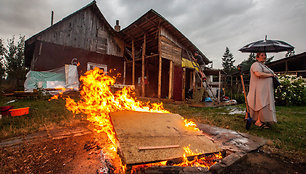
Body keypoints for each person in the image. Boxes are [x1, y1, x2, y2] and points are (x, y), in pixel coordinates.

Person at [247, 52, 277, 128]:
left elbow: (271, 73)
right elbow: (258, 74)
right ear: (257, 57)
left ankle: (262, 120)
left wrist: (273, 75)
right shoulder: (255, 65)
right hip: (259, 89)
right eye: (262, 55)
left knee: (264, 103)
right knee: (260, 104)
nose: (264, 57)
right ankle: (258, 121)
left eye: (265, 55)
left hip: (266, 90)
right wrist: (270, 75)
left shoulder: (264, 66)